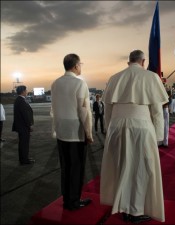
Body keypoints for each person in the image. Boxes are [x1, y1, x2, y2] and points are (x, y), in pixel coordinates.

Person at [100, 50, 168, 223]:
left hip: (116, 127)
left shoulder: (114, 78)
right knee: (141, 170)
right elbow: (157, 111)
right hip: (141, 127)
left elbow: (107, 109)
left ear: (129, 61)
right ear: (143, 61)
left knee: (120, 167)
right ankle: (135, 210)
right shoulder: (151, 77)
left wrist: (109, 129)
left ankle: (122, 206)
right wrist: (159, 135)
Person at [50, 53, 94, 210]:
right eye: (80, 64)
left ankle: (66, 199)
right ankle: (74, 201)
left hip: (61, 131)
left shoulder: (55, 84)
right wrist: (88, 133)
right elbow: (84, 111)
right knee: (76, 168)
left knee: (65, 168)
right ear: (76, 66)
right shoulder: (80, 84)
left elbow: (53, 109)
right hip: (75, 132)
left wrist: (55, 128)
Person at [12, 86, 34, 165]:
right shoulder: (21, 100)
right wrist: (30, 125)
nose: (27, 91)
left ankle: (24, 158)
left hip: (22, 126)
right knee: (24, 143)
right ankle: (24, 160)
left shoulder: (20, 100)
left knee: (23, 143)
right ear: (23, 91)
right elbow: (25, 114)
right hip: (23, 126)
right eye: (26, 90)